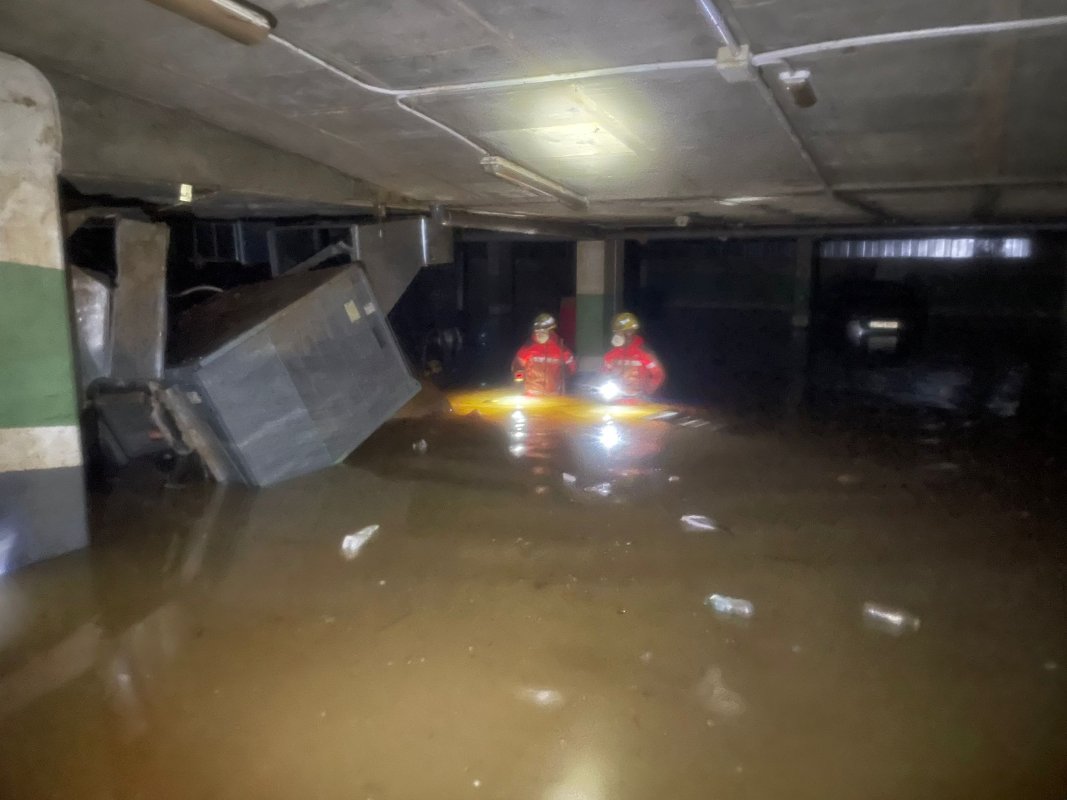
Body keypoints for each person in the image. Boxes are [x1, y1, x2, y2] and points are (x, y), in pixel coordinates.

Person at [601, 312, 666, 401]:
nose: (618, 335)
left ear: (630, 332)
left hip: (639, 400)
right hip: (616, 399)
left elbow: (658, 375)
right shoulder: (612, 354)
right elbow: (604, 373)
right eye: (616, 332)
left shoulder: (644, 353)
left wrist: (647, 391)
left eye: (621, 332)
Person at [512, 313, 576, 396]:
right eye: (536, 330)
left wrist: (563, 380)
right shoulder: (528, 348)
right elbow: (517, 366)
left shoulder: (562, 349)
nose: (538, 333)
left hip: (554, 396)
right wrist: (519, 381)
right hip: (531, 394)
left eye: (542, 331)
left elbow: (572, 368)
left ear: (550, 331)